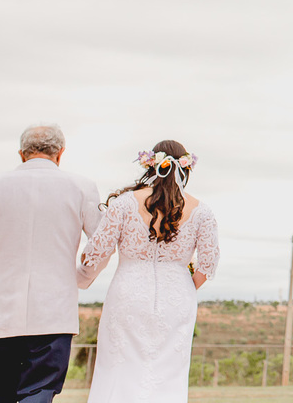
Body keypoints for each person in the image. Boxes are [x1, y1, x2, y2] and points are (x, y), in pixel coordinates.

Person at [0, 125, 105, 403]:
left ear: (21, 154)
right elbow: (102, 245)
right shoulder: (83, 187)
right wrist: (81, 277)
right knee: (39, 393)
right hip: (54, 316)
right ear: (61, 153)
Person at [78, 140, 220, 402]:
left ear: (150, 165)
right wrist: (183, 285)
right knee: (168, 372)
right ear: (186, 169)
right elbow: (207, 265)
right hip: (177, 297)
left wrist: (79, 275)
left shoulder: (123, 203)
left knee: (119, 368)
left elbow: (95, 252)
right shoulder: (203, 211)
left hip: (127, 292)